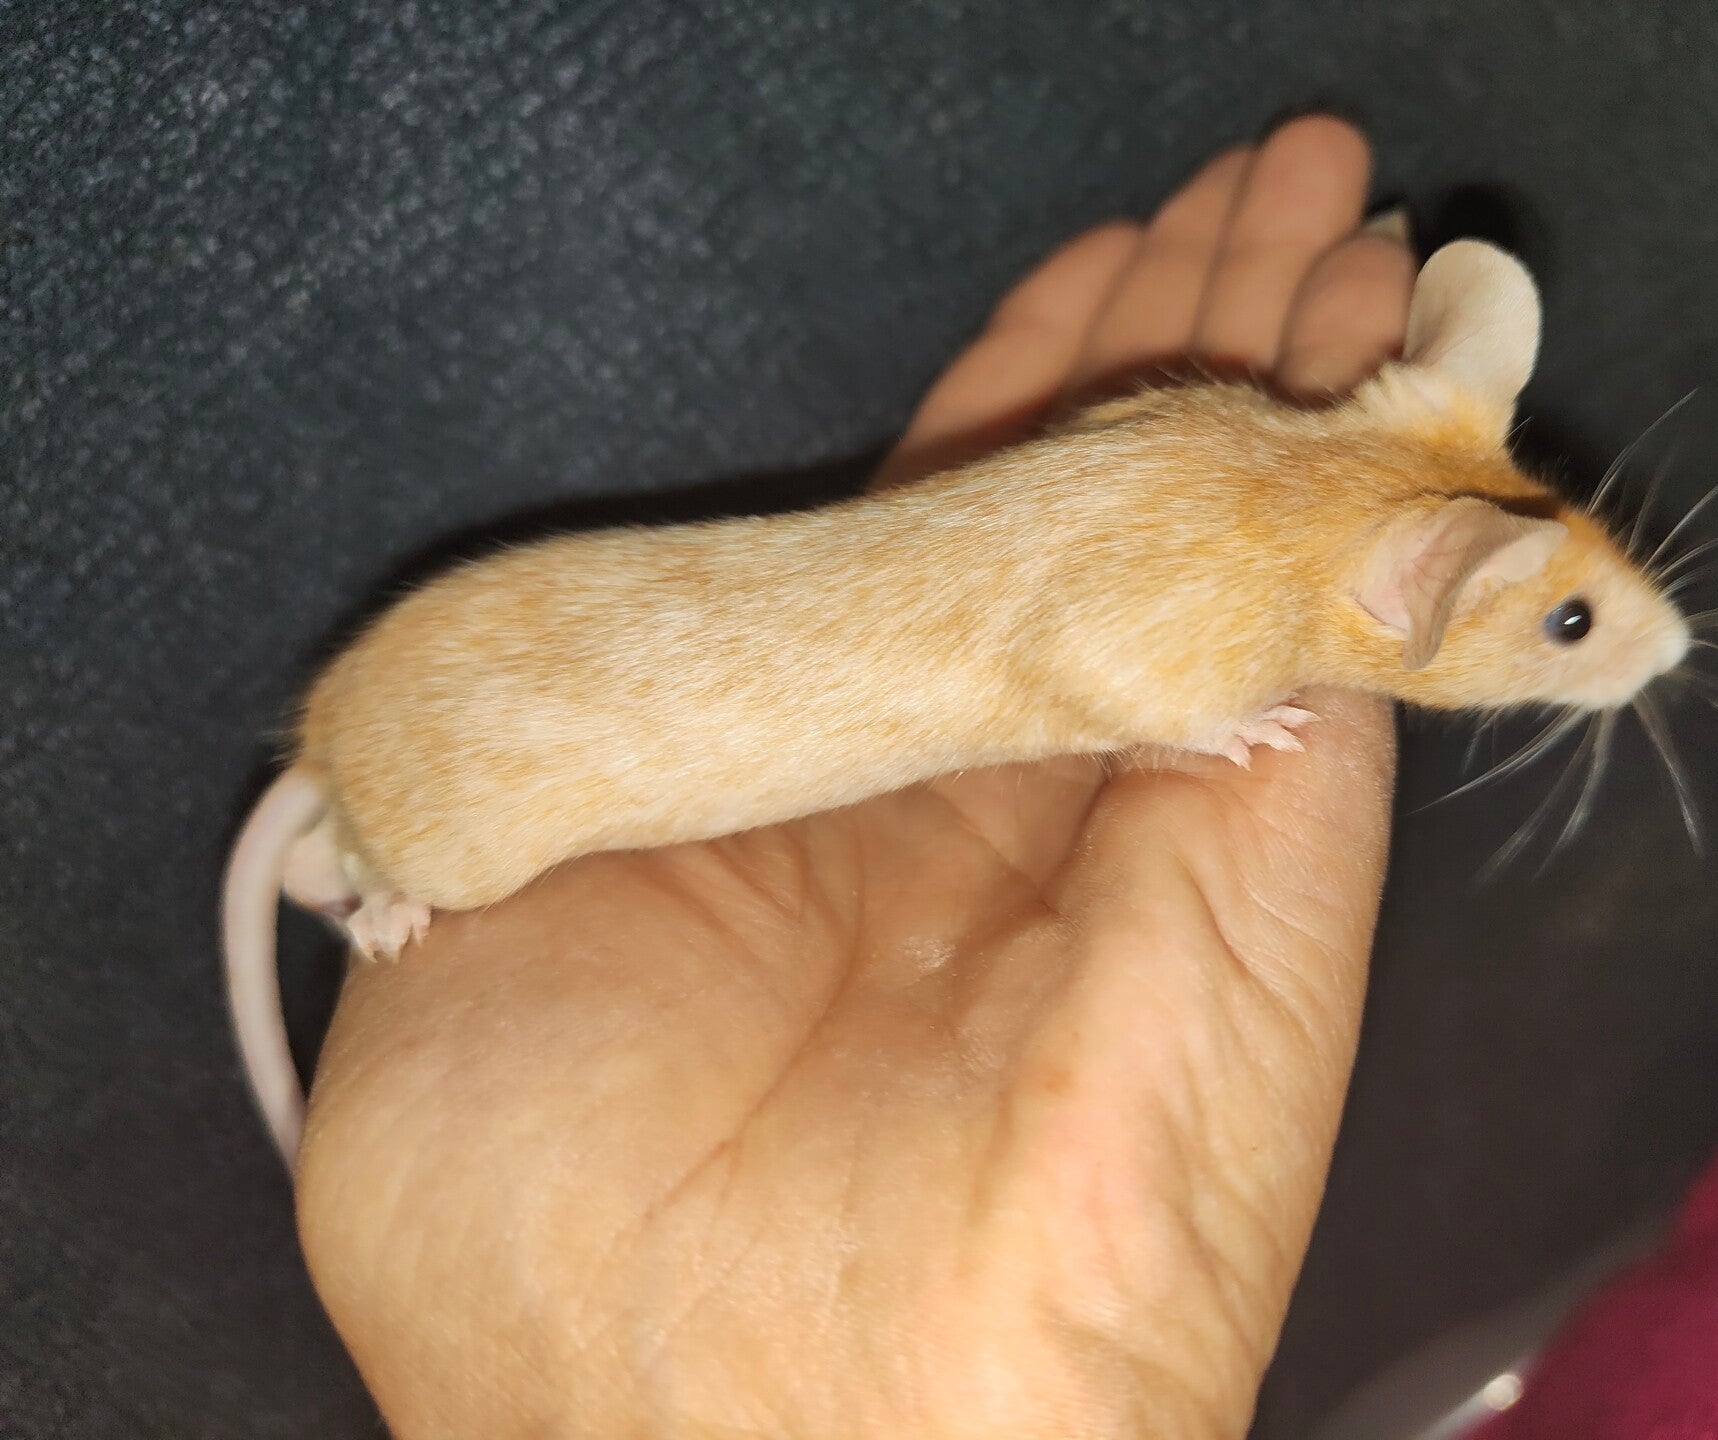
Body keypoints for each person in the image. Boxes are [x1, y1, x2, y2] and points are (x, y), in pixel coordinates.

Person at [294, 114, 1416, 1437]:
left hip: (631, 693)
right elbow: (1097, 670)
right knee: (466, 835)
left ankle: (365, 838)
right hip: (546, 728)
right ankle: (372, 860)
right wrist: (1206, 717)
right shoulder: (1263, 597)